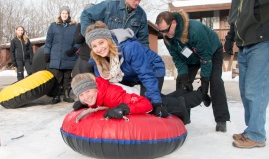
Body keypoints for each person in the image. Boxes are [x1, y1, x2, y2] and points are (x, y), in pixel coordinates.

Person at [155, 10, 230, 132]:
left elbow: (206, 58)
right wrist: (184, 75)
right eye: (161, 31)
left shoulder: (195, 30)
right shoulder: (168, 38)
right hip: (190, 58)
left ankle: (221, 119)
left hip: (212, 52)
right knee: (182, 83)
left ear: (174, 23)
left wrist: (204, 82)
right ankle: (183, 117)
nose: (164, 34)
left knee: (215, 81)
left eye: (166, 30)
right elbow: (178, 59)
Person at [84, 21, 167, 118]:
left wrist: (156, 102)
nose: (99, 49)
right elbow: (103, 86)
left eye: (101, 42)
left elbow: (146, 75)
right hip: (128, 74)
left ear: (108, 40)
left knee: (149, 103)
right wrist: (88, 101)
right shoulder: (97, 60)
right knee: (127, 99)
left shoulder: (130, 48)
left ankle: (181, 100)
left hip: (152, 69)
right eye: (94, 46)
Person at [72, 73, 203, 124]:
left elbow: (146, 104)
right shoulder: (96, 95)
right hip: (136, 94)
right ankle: (183, 91)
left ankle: (201, 95)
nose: (86, 97)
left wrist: (125, 108)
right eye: (81, 95)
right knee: (167, 98)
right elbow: (95, 101)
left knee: (175, 105)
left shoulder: (112, 95)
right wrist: (84, 104)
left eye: (87, 91)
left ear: (95, 88)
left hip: (144, 96)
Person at [224, 0, 269, 148]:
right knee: (245, 90)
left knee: (255, 89)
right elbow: (235, 17)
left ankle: (257, 135)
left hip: (262, 42)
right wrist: (230, 37)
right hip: (243, 45)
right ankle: (252, 130)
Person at [44, 6, 80, 104]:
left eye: (66, 13)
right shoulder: (53, 25)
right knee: (56, 77)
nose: (64, 15)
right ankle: (56, 96)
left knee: (67, 78)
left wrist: (74, 49)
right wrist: (47, 52)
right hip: (56, 56)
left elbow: (79, 40)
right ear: (60, 14)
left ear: (69, 15)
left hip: (69, 56)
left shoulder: (74, 26)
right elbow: (48, 41)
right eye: (63, 13)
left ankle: (66, 95)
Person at [80, 0, 149, 47]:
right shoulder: (109, 5)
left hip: (127, 54)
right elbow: (86, 14)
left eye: (139, 0)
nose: (137, 3)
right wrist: (90, 35)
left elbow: (143, 40)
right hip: (107, 50)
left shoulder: (141, 14)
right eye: (135, 0)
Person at [71, 4, 95, 77]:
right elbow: (77, 40)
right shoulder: (80, 25)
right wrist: (85, 29)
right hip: (85, 58)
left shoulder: (99, 23)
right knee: (86, 80)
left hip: (99, 57)